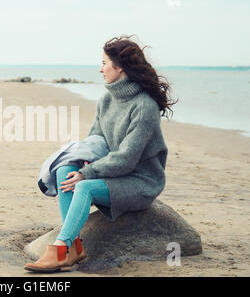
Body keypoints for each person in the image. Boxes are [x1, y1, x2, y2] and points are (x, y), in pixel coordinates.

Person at [24, 35, 178, 273]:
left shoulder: (144, 106)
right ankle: (74, 248)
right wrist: (82, 164)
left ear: (120, 68)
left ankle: (59, 249)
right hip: (114, 174)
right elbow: (96, 140)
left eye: (105, 63)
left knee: (83, 186)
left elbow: (127, 158)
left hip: (140, 181)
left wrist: (88, 173)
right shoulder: (107, 100)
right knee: (66, 171)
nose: (100, 68)